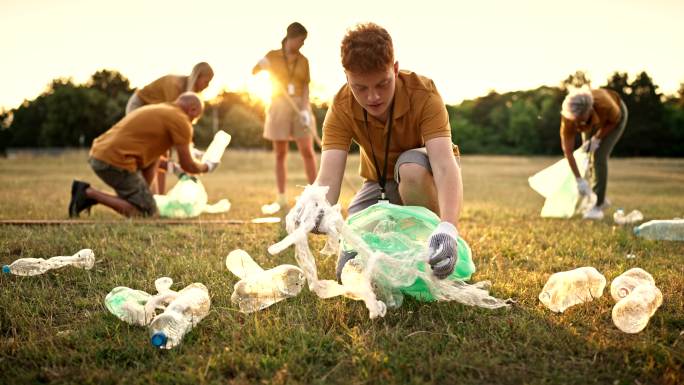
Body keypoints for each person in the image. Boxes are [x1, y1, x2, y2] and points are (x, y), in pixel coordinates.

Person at [290, 23, 463, 281]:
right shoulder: (341, 106)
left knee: (410, 167)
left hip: (423, 179)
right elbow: (328, 180)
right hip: (378, 184)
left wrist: (448, 227)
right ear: (347, 77)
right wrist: (312, 205)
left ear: (394, 68)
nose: (373, 97)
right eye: (360, 87)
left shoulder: (423, 93)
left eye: (382, 84)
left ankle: (432, 243)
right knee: (349, 270)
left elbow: (444, 165)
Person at [68, 92, 219, 218]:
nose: (192, 123)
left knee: (142, 199)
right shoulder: (181, 120)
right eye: (195, 118)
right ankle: (88, 193)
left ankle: (92, 194)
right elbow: (188, 165)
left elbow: (155, 159)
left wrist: (173, 170)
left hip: (100, 155)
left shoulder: (160, 110)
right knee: (147, 212)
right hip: (114, 163)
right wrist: (207, 166)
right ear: (192, 109)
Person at [252, 22, 317, 212]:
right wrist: (261, 64)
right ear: (291, 37)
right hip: (279, 103)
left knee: (307, 150)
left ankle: (316, 196)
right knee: (280, 153)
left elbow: (306, 87)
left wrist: (305, 109)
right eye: (301, 40)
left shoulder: (304, 60)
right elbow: (254, 71)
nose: (302, 44)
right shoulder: (273, 55)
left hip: (299, 105)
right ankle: (281, 198)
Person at [125, 62, 214, 194]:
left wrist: (190, 148)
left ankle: (159, 195)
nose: (207, 86)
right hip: (140, 106)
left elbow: (182, 125)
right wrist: (186, 150)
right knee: (154, 150)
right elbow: (173, 119)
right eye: (206, 81)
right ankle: (150, 193)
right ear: (198, 76)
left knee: (164, 151)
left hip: (155, 113)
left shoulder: (189, 94)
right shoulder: (174, 84)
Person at [560, 85, 628, 220]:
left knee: (598, 156)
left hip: (615, 118)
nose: (578, 124)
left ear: (589, 110)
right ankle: (594, 196)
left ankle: (598, 204)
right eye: (575, 120)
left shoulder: (606, 105)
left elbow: (614, 121)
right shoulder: (569, 116)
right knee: (586, 155)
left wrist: (597, 138)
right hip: (594, 120)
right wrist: (579, 179)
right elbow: (568, 151)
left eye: (580, 119)